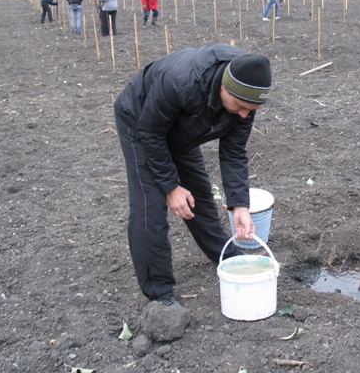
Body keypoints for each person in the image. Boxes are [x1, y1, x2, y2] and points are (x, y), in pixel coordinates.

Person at [113, 43, 272, 307]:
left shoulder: (247, 94)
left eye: (251, 109)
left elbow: (233, 153)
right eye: (240, 106)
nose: (245, 114)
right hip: (141, 124)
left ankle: (226, 257)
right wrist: (171, 186)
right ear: (225, 88)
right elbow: (151, 134)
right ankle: (159, 293)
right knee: (149, 205)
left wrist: (239, 204)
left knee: (199, 194)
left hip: (180, 130)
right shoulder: (180, 82)